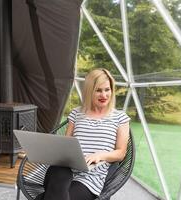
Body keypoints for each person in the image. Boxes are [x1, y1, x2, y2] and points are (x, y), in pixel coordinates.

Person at [38, 68, 130, 200]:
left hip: (90, 177)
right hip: (64, 170)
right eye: (98, 90)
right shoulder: (76, 113)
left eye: (107, 89)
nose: (104, 95)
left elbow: (121, 153)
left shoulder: (120, 117)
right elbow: (66, 145)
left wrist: (100, 155)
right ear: (89, 91)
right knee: (59, 174)